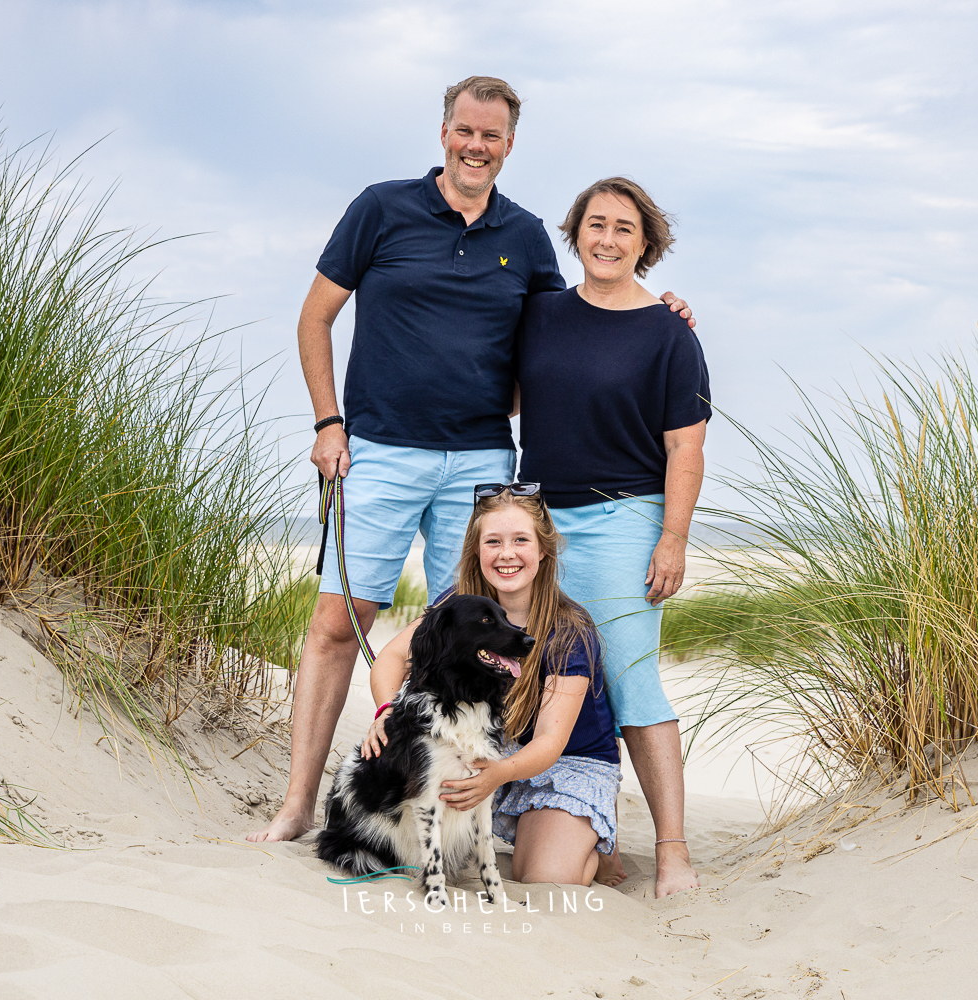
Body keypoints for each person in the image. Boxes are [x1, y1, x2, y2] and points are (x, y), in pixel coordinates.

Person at [249, 78, 693, 843]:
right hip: (380, 451)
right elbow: (316, 315)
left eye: (491, 136)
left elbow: (572, 327)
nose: (475, 146)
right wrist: (328, 422)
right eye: (464, 131)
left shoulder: (522, 237)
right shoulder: (379, 208)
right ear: (444, 131)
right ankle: (296, 804)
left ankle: (471, 811)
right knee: (336, 622)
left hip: (485, 459)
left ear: (509, 146)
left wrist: (661, 310)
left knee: (481, 634)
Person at [515, 177, 711, 898]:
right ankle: (598, 833)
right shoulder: (540, 315)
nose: (607, 238)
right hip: (538, 519)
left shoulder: (668, 332)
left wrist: (673, 540)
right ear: (576, 233)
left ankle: (673, 852)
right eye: (596, 224)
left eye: (624, 228)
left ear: (646, 244)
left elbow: (685, 450)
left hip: (625, 515)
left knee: (628, 678)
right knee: (549, 675)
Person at [361, 485, 620, 886]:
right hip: (490, 750)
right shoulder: (460, 606)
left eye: (521, 540)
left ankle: (596, 838)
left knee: (545, 878)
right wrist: (387, 709)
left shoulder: (570, 630)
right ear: (476, 550)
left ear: (543, 550)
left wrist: (497, 774)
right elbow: (391, 658)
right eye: (493, 541)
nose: (506, 553)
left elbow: (551, 741)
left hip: (564, 763)